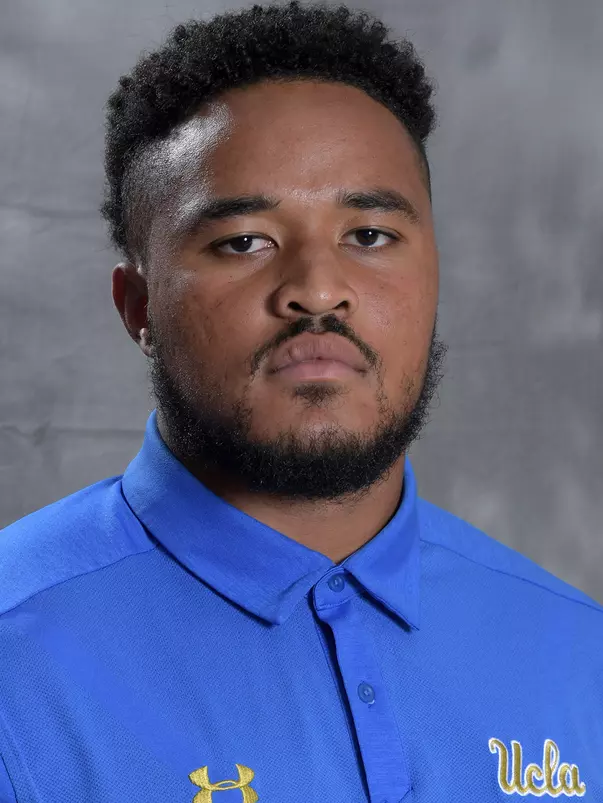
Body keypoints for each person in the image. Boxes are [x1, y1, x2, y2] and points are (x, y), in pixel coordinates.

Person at [0, 1, 601, 800]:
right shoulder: (18, 658)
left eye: (369, 236)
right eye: (243, 241)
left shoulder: (577, 652)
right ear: (137, 308)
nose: (318, 289)